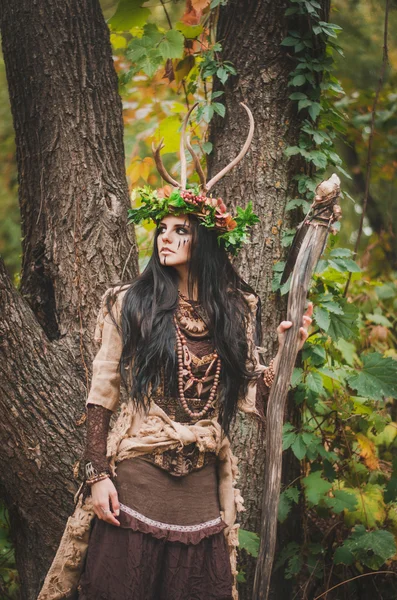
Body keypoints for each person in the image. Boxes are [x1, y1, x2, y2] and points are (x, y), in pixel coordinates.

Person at [38, 104, 313, 600]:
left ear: (204, 239)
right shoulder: (131, 303)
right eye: (162, 229)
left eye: (180, 229)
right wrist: (98, 475)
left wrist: (286, 352)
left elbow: (254, 398)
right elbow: (102, 394)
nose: (166, 237)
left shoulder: (234, 309)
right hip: (137, 483)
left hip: (203, 494)